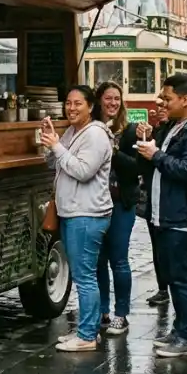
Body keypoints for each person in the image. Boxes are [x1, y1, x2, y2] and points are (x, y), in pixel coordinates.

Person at [136, 73, 187, 357]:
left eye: (167, 98)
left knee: (184, 278)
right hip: (169, 215)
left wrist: (156, 155)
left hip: (186, 216)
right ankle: (180, 328)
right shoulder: (177, 125)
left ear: (185, 100)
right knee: (174, 276)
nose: (162, 102)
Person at [42, 85, 113, 353]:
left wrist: (57, 147)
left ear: (91, 107)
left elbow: (83, 171)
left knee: (84, 277)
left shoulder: (95, 135)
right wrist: (51, 143)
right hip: (73, 211)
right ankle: (88, 329)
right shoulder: (74, 131)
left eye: (77, 104)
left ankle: (86, 335)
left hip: (87, 214)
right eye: (68, 103)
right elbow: (58, 164)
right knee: (85, 274)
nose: (71, 108)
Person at [94, 82, 140, 337]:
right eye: (108, 98)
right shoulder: (92, 129)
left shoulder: (130, 131)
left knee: (118, 259)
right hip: (95, 203)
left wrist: (112, 151)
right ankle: (102, 310)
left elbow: (135, 169)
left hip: (121, 202)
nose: (113, 103)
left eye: (117, 99)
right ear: (99, 100)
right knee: (98, 260)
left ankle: (121, 313)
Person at [140, 104, 176, 307]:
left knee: (170, 249)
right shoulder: (160, 130)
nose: (159, 108)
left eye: (165, 104)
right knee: (158, 247)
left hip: (170, 201)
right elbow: (144, 165)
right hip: (154, 198)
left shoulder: (181, 130)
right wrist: (144, 139)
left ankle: (170, 288)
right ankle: (163, 288)